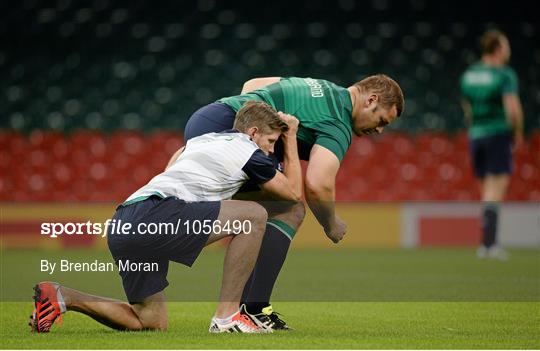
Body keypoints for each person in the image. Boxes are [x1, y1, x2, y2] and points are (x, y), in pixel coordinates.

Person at [30, 101, 302, 334]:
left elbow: (173, 165)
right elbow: (291, 194)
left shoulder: (201, 141)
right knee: (254, 216)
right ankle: (226, 318)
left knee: (150, 320)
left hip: (124, 220)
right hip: (154, 214)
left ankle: (64, 296)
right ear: (253, 132)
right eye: (270, 141)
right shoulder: (247, 150)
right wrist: (290, 140)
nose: (270, 150)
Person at [181, 74, 404, 329]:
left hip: (209, 117)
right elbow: (318, 185)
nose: (379, 130)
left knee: (257, 211)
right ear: (371, 100)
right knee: (291, 208)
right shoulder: (338, 121)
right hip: (228, 131)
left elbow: (252, 85)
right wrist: (330, 223)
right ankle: (251, 308)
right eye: (382, 120)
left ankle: (148, 232)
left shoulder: (320, 87)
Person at [460, 30, 524, 260]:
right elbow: (512, 108)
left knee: (485, 192)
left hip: (475, 135)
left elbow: (467, 108)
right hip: (497, 133)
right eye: (506, 46)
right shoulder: (504, 74)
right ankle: (489, 245)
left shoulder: (469, 75)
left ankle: (486, 243)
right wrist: (516, 132)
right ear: (498, 48)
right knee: (494, 192)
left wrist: (475, 127)